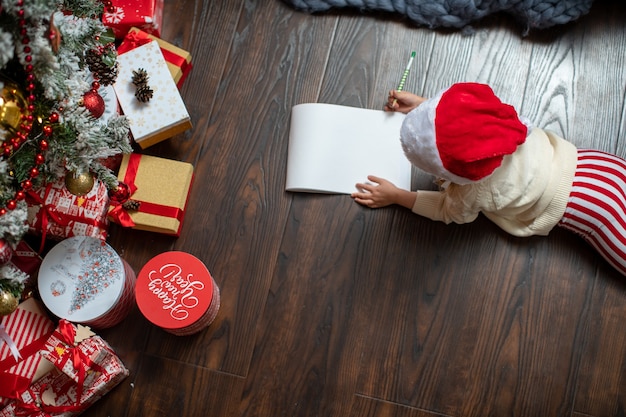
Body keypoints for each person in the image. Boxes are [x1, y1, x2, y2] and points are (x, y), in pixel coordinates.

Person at [351, 82, 626, 276]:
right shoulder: (501, 120)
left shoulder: (472, 191)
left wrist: (398, 196)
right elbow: (467, 121)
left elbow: (446, 211)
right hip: (597, 165)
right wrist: (426, 109)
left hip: (593, 211)